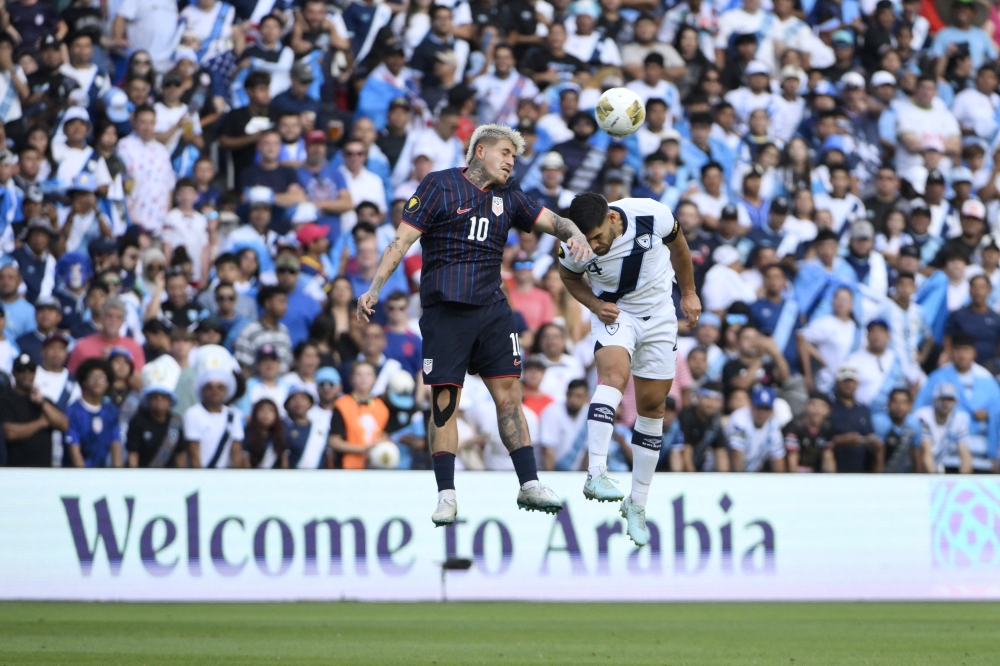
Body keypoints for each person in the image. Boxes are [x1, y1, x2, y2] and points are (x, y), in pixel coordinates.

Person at [357, 123, 593, 524]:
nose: (510, 161)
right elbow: (401, 242)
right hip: (446, 310)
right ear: (479, 151)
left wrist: (577, 235)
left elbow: (559, 222)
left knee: (509, 396)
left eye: (514, 157)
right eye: (504, 152)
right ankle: (447, 493)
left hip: (492, 310)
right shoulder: (439, 185)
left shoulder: (510, 196)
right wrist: (374, 288)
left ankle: (529, 484)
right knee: (445, 403)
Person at [558, 192, 701, 546]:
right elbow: (569, 277)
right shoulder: (573, 243)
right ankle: (596, 473)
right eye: (585, 239)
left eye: (596, 238)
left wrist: (689, 293)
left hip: (659, 316)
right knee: (614, 379)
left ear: (612, 220)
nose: (591, 246)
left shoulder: (651, 214)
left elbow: (679, 247)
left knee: (653, 407)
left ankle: (637, 503)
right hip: (616, 314)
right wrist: (594, 304)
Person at [2, 353, 68, 467]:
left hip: (44, 470)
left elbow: (64, 425)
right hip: (14, 471)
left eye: (31, 369)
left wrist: (41, 402)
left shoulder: (43, 400)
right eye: (21, 370)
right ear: (13, 373)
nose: (26, 374)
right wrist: (41, 423)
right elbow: (10, 433)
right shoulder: (4, 399)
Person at [328, 361, 390, 469]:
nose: (363, 378)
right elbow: (334, 441)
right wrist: (363, 449)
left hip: (375, 466)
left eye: (368, 374)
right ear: (351, 379)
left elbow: (384, 435)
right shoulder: (342, 405)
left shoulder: (381, 407)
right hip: (347, 467)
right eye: (359, 374)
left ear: (375, 379)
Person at [183, 364, 245, 469]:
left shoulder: (234, 415)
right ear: (202, 390)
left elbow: (236, 453)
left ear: (226, 391)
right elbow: (193, 453)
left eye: (220, 387)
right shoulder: (193, 414)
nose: (214, 391)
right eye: (209, 387)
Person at [64, 359, 122, 468]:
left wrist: (118, 475)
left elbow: (116, 445)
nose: (97, 381)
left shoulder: (111, 410)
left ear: (107, 383)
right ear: (84, 382)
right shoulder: (73, 411)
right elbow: (74, 449)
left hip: (102, 474)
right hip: (76, 476)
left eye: (102, 377)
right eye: (92, 377)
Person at [828, 363, 883, 473]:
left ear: (857, 384)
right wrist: (843, 440)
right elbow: (821, 440)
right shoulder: (829, 408)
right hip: (836, 468)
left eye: (851, 381)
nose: (848, 385)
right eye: (844, 381)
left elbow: (869, 435)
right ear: (837, 383)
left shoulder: (863, 409)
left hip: (860, 469)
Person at [725, 385, 787, 472]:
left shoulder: (773, 425)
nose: (762, 413)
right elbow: (737, 459)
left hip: (751, 475)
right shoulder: (739, 420)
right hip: (723, 474)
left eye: (766, 409)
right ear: (751, 405)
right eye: (759, 407)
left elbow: (777, 460)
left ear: (772, 410)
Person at [915, 382, 974, 474]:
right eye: (942, 399)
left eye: (950, 400)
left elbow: (965, 453)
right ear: (934, 401)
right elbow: (926, 451)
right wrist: (933, 480)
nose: (946, 403)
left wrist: (964, 480)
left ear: (956, 402)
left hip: (936, 463)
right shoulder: (924, 416)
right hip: (915, 467)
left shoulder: (959, 420)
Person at [674, 382, 728, 472]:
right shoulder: (687, 416)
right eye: (707, 397)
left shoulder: (715, 421)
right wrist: (693, 480)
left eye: (716, 399)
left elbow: (720, 453)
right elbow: (685, 454)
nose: (711, 403)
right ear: (698, 397)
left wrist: (726, 480)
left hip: (699, 466)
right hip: (675, 469)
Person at [538, 379, 590, 471]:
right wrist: (551, 478)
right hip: (554, 471)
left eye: (579, 396)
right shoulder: (552, 411)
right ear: (566, 394)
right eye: (571, 395)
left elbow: (589, 451)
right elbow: (547, 450)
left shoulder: (590, 415)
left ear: (586, 397)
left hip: (578, 474)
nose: (574, 400)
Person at [126, 386, 184, 468]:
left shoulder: (176, 422)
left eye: (164, 397)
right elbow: (133, 453)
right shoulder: (138, 421)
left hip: (170, 476)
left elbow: (180, 454)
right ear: (148, 400)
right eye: (155, 397)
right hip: (144, 474)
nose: (159, 400)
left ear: (170, 401)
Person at [872, 388, 923, 473]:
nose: (899, 406)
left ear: (910, 406)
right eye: (895, 402)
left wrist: (920, 479)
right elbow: (878, 455)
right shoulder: (879, 422)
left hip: (904, 475)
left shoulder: (914, 424)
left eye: (903, 402)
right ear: (888, 404)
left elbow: (916, 453)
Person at [783, 391, 836, 473]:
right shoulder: (794, 427)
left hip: (816, 474)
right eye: (813, 404)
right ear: (806, 406)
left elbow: (828, 457)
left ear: (828, 410)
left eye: (822, 406)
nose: (817, 410)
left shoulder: (827, 429)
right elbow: (792, 461)